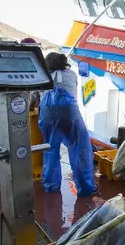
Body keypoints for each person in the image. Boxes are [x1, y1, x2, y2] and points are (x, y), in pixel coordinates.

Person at [37, 52, 96, 197]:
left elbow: (35, 98)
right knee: (79, 147)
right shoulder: (72, 75)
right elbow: (73, 93)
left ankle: (51, 186)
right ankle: (85, 187)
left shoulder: (42, 76)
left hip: (48, 112)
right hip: (69, 112)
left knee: (50, 149)